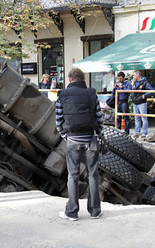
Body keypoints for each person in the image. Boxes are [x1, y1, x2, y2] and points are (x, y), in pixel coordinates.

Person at [55, 68, 103, 221]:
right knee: (93, 175)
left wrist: (65, 136)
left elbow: (58, 120)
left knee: (73, 175)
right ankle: (95, 211)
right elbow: (99, 117)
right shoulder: (91, 93)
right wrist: (97, 133)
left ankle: (72, 212)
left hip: (73, 140)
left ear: (70, 79)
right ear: (83, 79)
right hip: (90, 139)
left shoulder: (62, 95)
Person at [132, 70, 153, 139]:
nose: (133, 76)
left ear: (138, 75)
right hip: (135, 102)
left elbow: (151, 91)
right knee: (137, 118)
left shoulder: (144, 82)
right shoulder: (135, 82)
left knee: (144, 118)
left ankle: (144, 132)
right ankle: (137, 132)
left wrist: (145, 95)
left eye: (134, 75)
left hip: (142, 102)